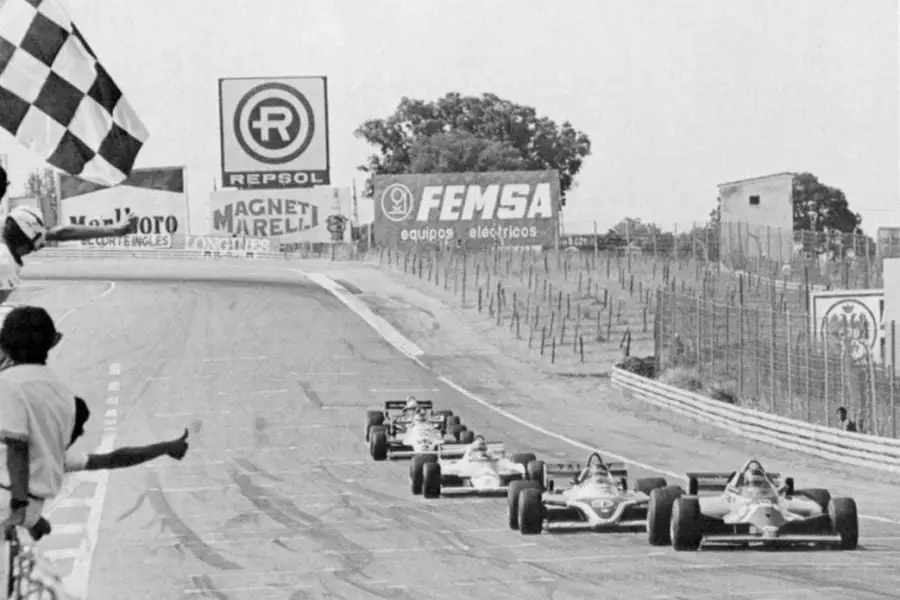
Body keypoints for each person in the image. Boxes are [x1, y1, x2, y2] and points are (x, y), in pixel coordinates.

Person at [0, 167, 138, 304]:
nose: (32, 251)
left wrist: (114, 230)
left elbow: (60, 233)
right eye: (31, 248)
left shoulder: (5, 229)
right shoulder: (5, 263)